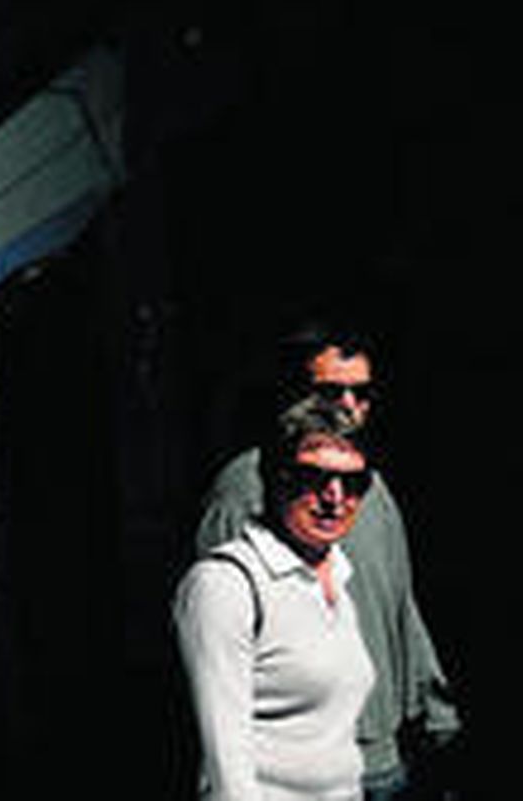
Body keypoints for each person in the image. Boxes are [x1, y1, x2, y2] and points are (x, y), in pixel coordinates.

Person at [196, 324, 460, 799]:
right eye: (330, 391)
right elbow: (218, 656)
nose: (349, 406)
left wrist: (436, 716)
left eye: (361, 393)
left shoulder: (371, 487)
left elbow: (399, 605)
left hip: (384, 758)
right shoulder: (244, 487)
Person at [176, 404, 377, 799]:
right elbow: (227, 766)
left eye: (353, 482)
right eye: (313, 478)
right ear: (275, 477)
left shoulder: (338, 571)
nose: (335, 497)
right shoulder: (225, 584)